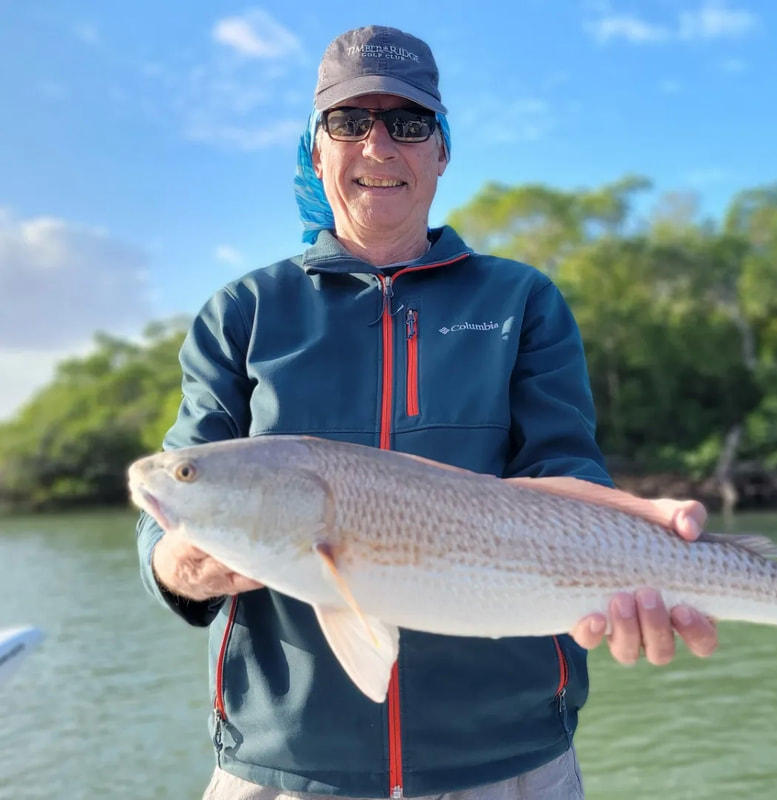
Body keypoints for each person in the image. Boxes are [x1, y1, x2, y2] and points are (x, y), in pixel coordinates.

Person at [136, 24, 718, 800]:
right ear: (315, 150)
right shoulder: (241, 313)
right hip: (283, 762)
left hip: (511, 759)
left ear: (442, 152)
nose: (379, 146)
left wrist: (640, 539)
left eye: (408, 123)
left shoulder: (522, 300)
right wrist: (174, 565)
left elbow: (563, 470)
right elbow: (175, 497)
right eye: (349, 122)